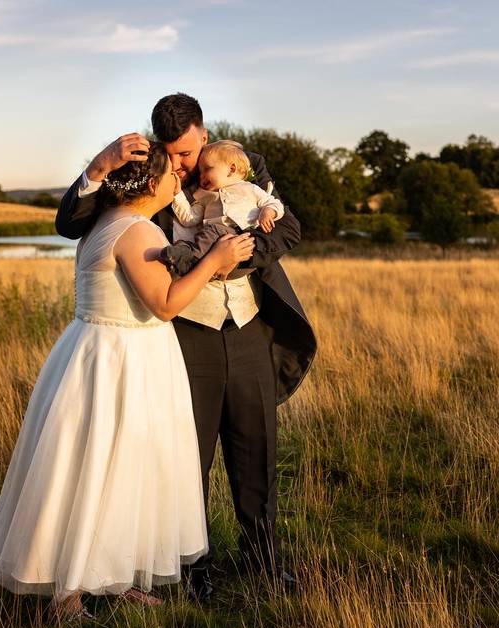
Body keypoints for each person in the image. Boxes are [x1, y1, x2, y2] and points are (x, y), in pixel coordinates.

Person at [54, 92, 316, 599]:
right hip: (183, 332)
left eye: (190, 154)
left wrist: (231, 260)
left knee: (255, 446)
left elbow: (287, 230)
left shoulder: (244, 162)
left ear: (204, 134)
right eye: (173, 156)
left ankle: (263, 560)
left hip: (248, 326)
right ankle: (192, 569)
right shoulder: (146, 170)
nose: (183, 165)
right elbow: (70, 225)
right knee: (185, 456)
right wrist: (96, 168)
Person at [0, 143, 256, 621]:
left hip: (102, 352)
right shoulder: (135, 231)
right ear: (151, 184)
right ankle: (68, 594)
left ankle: (115, 576)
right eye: (173, 172)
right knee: (99, 469)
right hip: (120, 360)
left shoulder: (101, 223)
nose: (180, 178)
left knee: (123, 469)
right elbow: (166, 304)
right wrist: (215, 259)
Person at [169, 140, 284, 279]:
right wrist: (177, 194)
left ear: (231, 169)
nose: (201, 176)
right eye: (200, 171)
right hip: (212, 235)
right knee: (201, 243)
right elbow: (189, 218)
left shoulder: (250, 189)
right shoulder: (206, 196)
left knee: (203, 246)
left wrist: (268, 212)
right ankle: (183, 257)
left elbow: (274, 203)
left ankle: (187, 261)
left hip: (242, 236)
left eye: (207, 169)